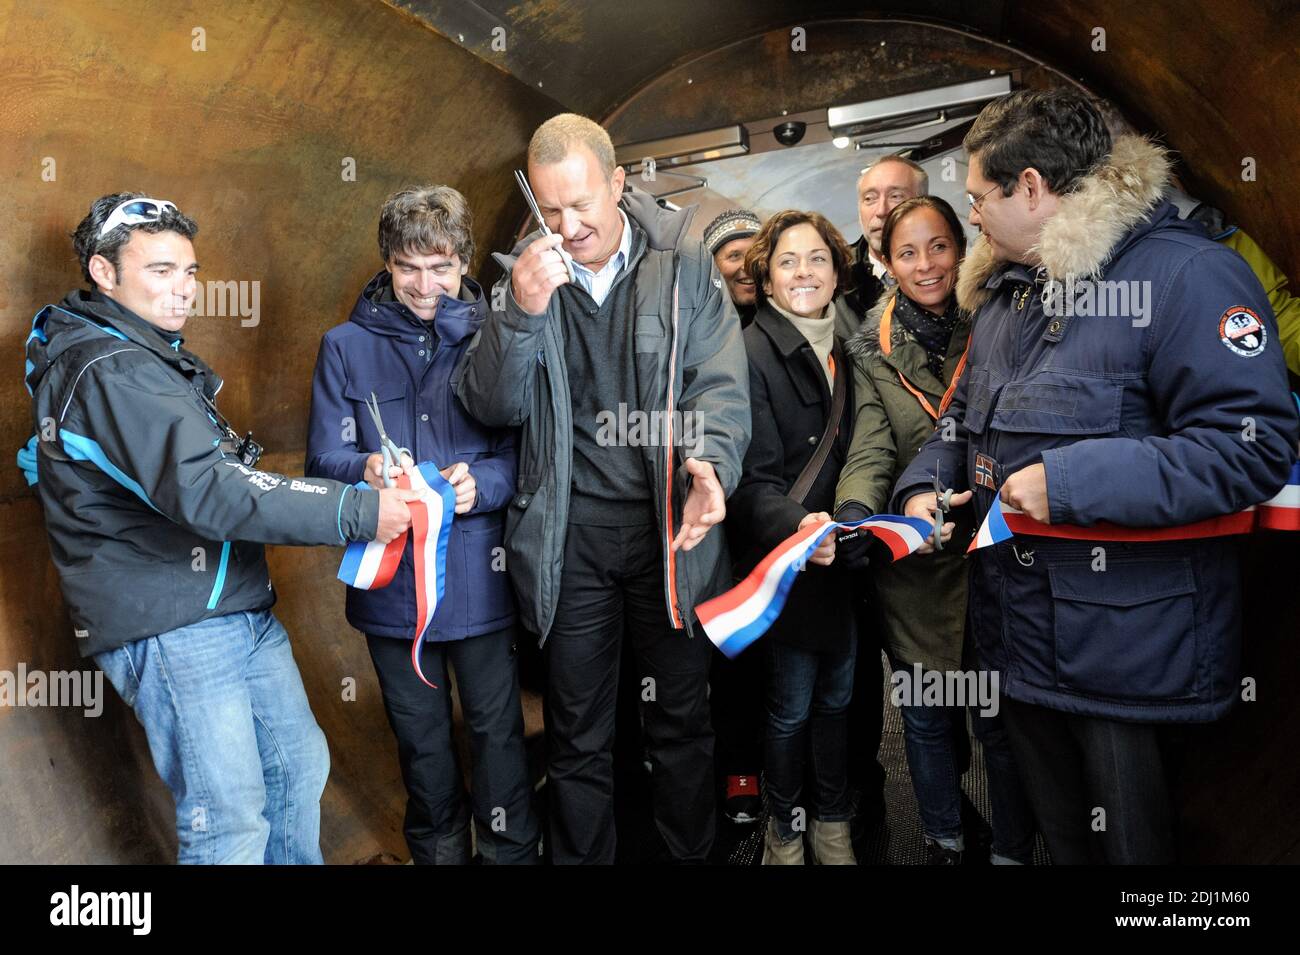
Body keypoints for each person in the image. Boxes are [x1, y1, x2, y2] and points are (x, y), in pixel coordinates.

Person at [895, 89, 1299, 863]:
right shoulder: (1008, 293)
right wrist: (926, 479)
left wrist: (1073, 482)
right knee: (1064, 844)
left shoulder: (1189, 278)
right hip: (1019, 642)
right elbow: (961, 418)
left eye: (980, 198)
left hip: (1123, 659)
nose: (970, 215)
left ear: (1034, 187)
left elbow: (1250, 447)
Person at [23, 192, 416, 864]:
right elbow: (210, 489)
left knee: (296, 771)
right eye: (160, 271)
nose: (184, 290)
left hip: (230, 605)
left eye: (190, 271)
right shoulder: (108, 370)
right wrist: (353, 510)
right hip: (176, 625)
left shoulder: (146, 357)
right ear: (103, 271)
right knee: (228, 819)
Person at [457, 114, 751, 864]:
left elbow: (719, 386)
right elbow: (491, 406)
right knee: (577, 731)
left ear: (620, 184)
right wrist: (519, 316)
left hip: (669, 531)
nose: (569, 225)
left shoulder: (684, 264)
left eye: (583, 203)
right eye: (550, 210)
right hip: (572, 536)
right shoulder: (522, 277)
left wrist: (710, 465)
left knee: (681, 723)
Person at [305, 185, 540, 864]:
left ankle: (509, 853)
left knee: (498, 734)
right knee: (421, 740)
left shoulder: (496, 337)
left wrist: (481, 484)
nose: (424, 283)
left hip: (481, 583)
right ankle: (438, 854)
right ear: (386, 263)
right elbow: (325, 453)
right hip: (390, 590)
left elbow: (519, 454)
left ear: (465, 262)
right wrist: (366, 467)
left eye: (440, 266)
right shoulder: (343, 346)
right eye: (409, 266)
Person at [835, 195, 1035, 865]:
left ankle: (1012, 845)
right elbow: (869, 448)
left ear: (965, 243)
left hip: (1001, 549)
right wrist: (859, 518)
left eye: (940, 245)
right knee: (925, 714)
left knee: (1000, 720)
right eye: (908, 252)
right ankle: (945, 838)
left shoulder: (1002, 318)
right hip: (919, 561)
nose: (927, 265)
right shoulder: (872, 351)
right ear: (885, 262)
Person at [727, 210, 859, 865]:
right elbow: (747, 484)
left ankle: (832, 823)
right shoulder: (748, 353)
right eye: (787, 261)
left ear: (836, 272)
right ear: (767, 279)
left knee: (837, 702)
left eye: (816, 259)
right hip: (786, 565)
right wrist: (798, 526)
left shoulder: (855, 345)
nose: (803, 272)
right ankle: (785, 830)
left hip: (846, 559)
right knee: (789, 708)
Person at [841, 154, 929, 329]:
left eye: (896, 196)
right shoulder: (834, 278)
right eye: (869, 198)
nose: (881, 210)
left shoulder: (950, 274)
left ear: (924, 203)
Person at [703, 209, 762, 328]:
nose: (748, 266)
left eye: (756, 253)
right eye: (734, 256)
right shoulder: (696, 323)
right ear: (712, 265)